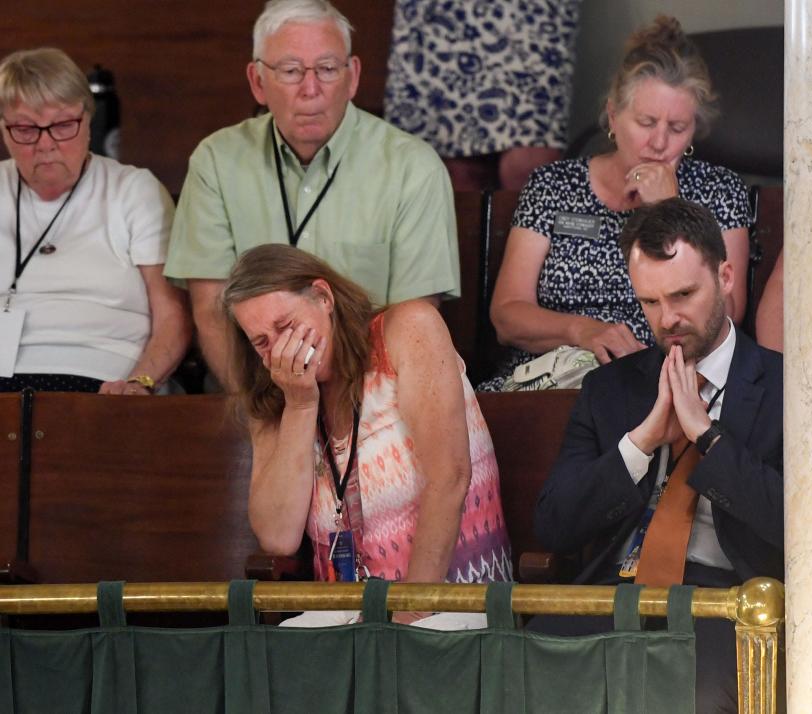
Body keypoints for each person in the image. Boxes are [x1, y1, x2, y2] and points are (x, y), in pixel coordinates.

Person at [531, 198, 783, 712]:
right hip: (613, 590)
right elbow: (554, 526)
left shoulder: (787, 388)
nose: (667, 319)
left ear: (727, 276)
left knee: (688, 696)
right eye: (649, 302)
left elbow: (792, 525)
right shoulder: (610, 388)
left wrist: (706, 437)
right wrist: (642, 441)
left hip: (723, 601)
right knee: (518, 667)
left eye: (684, 295)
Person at [165, 0, 460, 388]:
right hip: (250, 393)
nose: (310, 89)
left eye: (326, 69)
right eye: (290, 71)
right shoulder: (216, 161)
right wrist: (263, 412)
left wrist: (348, 416)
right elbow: (211, 311)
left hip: (369, 398)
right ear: (257, 81)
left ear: (352, 76)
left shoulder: (413, 167)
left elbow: (413, 323)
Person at [223, 244, 511, 627]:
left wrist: (408, 614)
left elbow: (450, 478)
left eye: (285, 327)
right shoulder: (276, 392)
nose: (281, 351)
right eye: (262, 342)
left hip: (451, 597)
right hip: (346, 614)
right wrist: (300, 406)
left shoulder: (408, 328)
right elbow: (279, 537)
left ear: (323, 297)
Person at [482, 16, 751, 391]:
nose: (659, 143)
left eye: (676, 128)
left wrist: (670, 212)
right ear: (613, 115)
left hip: (664, 379)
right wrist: (583, 330)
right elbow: (507, 315)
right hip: (552, 379)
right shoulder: (554, 186)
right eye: (645, 122)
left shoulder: (719, 191)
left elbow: (728, 317)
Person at [0, 48, 191, 394]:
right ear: (3, 129)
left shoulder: (133, 190)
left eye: (62, 125)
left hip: (104, 385)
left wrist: (141, 381)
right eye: (25, 129)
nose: (46, 144)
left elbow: (173, 316)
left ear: (89, 120)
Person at [384, 0, 580, 191]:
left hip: (532, 12)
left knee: (530, 160)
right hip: (442, 12)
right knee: (449, 162)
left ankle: (525, 223)